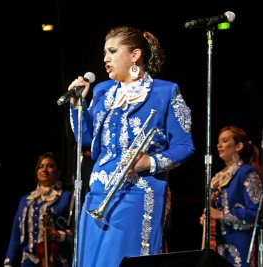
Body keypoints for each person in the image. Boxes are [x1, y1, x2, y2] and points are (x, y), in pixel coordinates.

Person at [67, 25, 195, 266]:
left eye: (113, 51)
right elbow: (86, 141)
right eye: (105, 52)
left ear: (135, 55)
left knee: (116, 260)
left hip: (137, 192)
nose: (105, 58)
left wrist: (150, 162)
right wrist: (77, 107)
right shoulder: (103, 91)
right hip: (97, 193)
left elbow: (185, 146)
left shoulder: (166, 91)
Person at [199, 126, 263, 267]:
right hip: (219, 245)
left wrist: (221, 215)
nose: (219, 145)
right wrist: (207, 218)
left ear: (238, 146)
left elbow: (256, 213)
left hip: (240, 242)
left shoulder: (247, 173)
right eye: (218, 141)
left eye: (225, 141)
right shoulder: (218, 177)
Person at [4, 152, 73, 267]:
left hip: (56, 261)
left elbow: (78, 232)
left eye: (50, 166)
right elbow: (15, 235)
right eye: (40, 167)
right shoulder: (26, 200)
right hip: (28, 261)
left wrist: (59, 235)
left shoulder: (68, 197)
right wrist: (9, 263)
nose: (44, 170)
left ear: (59, 172)